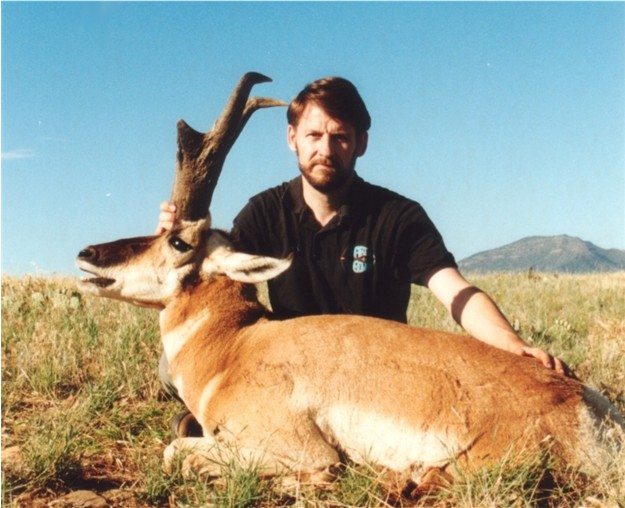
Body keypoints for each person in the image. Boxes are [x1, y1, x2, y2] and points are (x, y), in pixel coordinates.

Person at [158, 77, 570, 434]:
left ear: (361, 144)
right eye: (314, 135)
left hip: (379, 375)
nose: (326, 148)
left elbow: (455, 292)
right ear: (292, 138)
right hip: (292, 375)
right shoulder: (265, 212)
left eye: (340, 137)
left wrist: (510, 344)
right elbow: (206, 278)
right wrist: (174, 240)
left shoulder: (398, 216)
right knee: (171, 364)